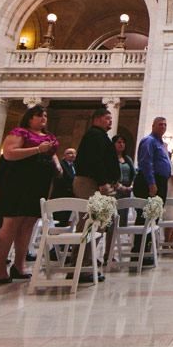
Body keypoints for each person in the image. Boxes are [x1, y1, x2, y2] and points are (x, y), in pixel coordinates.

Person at [0, 105, 60, 283]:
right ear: (29, 118)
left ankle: (19, 264)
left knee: (29, 222)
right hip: (19, 181)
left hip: (39, 182)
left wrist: (57, 164)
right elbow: (9, 154)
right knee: (12, 222)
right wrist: (38, 149)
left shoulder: (47, 136)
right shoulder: (20, 133)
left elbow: (51, 152)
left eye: (45, 115)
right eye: (39, 115)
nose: (43, 118)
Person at [72, 109, 120, 280]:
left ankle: (85, 263)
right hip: (91, 182)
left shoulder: (100, 136)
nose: (110, 121)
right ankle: (81, 266)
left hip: (96, 182)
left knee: (96, 223)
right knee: (89, 223)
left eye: (111, 118)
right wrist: (102, 182)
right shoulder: (95, 136)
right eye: (107, 118)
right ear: (97, 120)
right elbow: (96, 160)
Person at [134, 116, 171, 268]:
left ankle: (147, 249)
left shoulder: (161, 143)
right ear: (153, 126)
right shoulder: (149, 141)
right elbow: (146, 162)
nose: (163, 126)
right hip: (150, 181)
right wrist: (151, 183)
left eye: (165, 124)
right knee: (144, 217)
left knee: (154, 216)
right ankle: (138, 250)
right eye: (160, 124)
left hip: (160, 181)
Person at [52, 148, 77, 227]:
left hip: (71, 195)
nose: (73, 155)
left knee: (67, 218)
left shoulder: (74, 165)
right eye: (70, 153)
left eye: (74, 153)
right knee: (60, 218)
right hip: (62, 195)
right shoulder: (61, 165)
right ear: (64, 155)